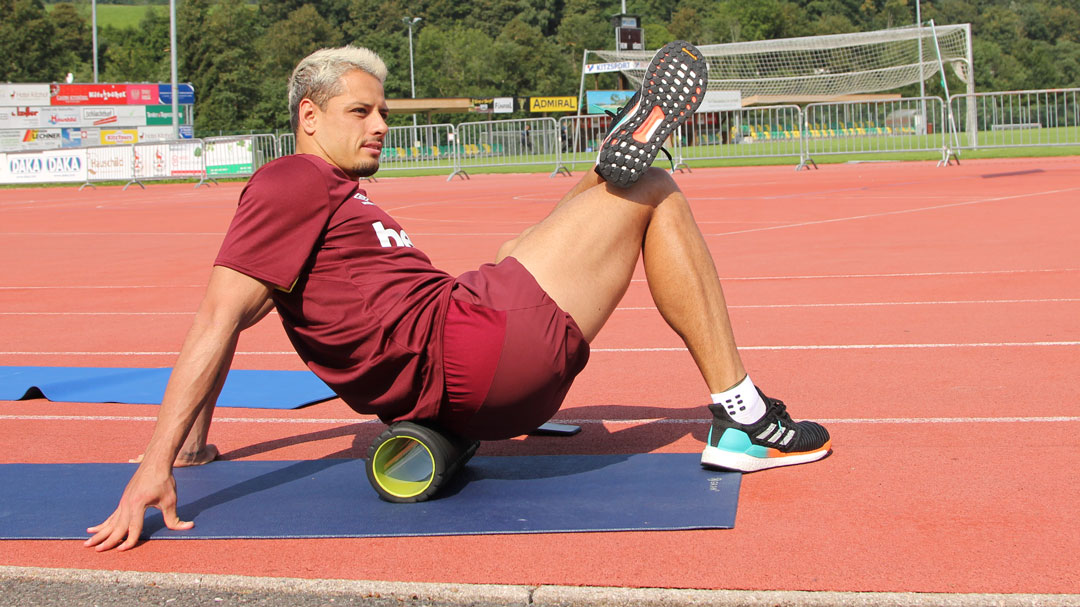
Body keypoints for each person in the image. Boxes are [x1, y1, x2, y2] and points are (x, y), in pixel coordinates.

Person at [85, 42, 830, 552]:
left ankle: (605, 168)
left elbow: (240, 313)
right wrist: (158, 464)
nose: (379, 126)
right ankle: (744, 416)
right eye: (360, 113)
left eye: (382, 112)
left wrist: (194, 441)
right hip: (482, 349)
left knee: (517, 247)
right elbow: (218, 317)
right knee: (651, 189)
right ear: (307, 117)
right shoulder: (291, 181)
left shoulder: (331, 200)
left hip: (467, 368)